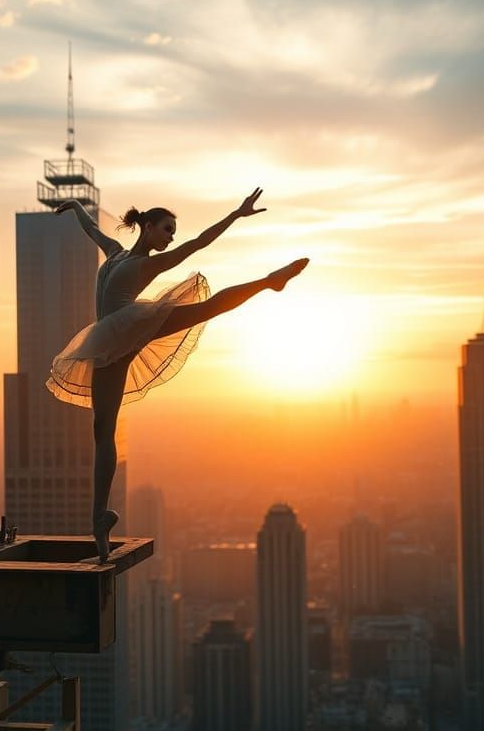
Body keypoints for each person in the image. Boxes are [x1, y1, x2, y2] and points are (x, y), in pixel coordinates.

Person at [46, 189, 309, 561]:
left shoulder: (149, 264)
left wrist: (236, 214)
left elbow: (199, 243)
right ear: (147, 226)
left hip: (128, 327)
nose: (171, 236)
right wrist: (75, 207)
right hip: (111, 341)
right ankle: (99, 520)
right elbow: (92, 230)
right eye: (166, 229)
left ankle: (270, 281)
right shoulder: (116, 253)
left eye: (173, 232)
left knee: (208, 308)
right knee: (101, 430)